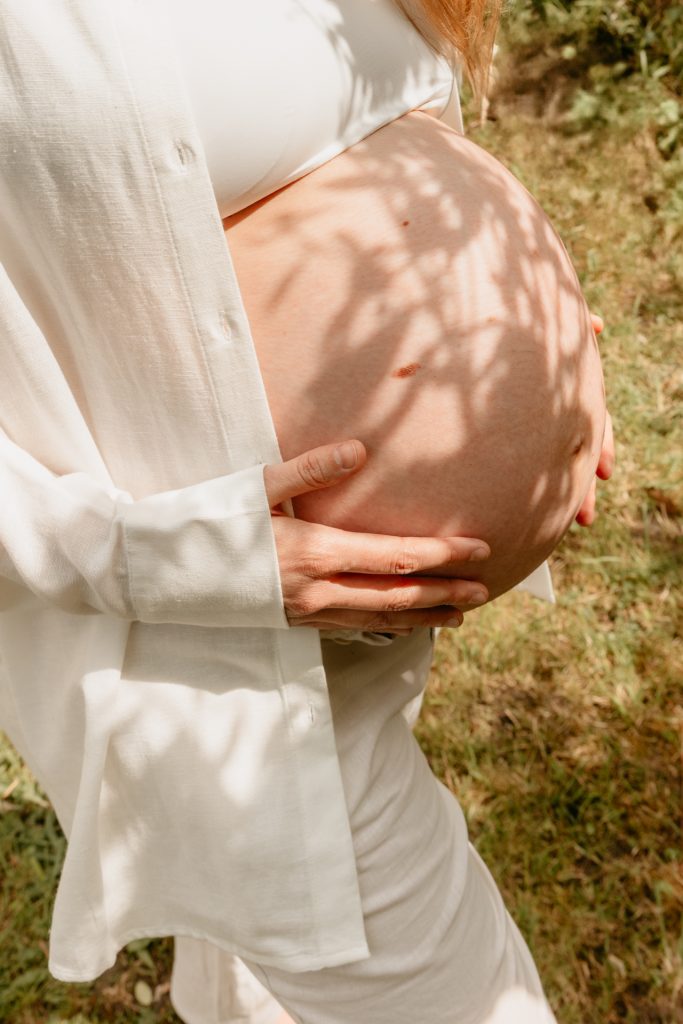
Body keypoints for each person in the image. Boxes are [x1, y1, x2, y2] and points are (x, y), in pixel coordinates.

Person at [0, 3, 613, 1023]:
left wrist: (535, 337)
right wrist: (145, 557)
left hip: (354, 631)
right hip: (233, 644)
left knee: (276, 963)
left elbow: (375, 121)